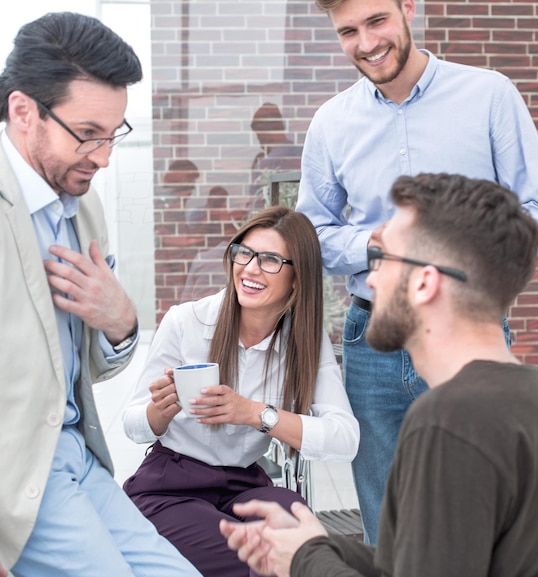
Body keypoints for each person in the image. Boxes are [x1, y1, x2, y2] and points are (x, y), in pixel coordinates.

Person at [0, 12, 201, 577]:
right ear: (24, 112)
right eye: (87, 134)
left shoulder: (83, 209)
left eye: (114, 133)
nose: (104, 156)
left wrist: (120, 324)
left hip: (77, 458)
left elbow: (69, 370)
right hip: (4, 480)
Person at [295, 0, 538, 543]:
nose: (365, 42)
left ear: (408, 8)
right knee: (386, 519)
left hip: (465, 331)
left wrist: (455, 256)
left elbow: (531, 208)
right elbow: (314, 235)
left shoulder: (489, 95)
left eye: (377, 21)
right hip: (371, 334)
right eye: (348, 31)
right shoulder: (331, 123)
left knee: (481, 504)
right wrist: (378, 246)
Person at [221, 172, 538, 577]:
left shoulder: (449, 421)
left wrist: (304, 562)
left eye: (381, 258)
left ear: (424, 282)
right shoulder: (522, 400)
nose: (369, 279)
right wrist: (319, 547)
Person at [122, 206, 359, 576]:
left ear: (298, 278)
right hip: (170, 485)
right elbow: (133, 424)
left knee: (300, 538)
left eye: (269, 260)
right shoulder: (187, 321)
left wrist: (254, 413)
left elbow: (345, 438)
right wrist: (159, 412)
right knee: (250, 558)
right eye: (244, 253)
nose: (249, 268)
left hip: (245, 482)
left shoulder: (305, 342)